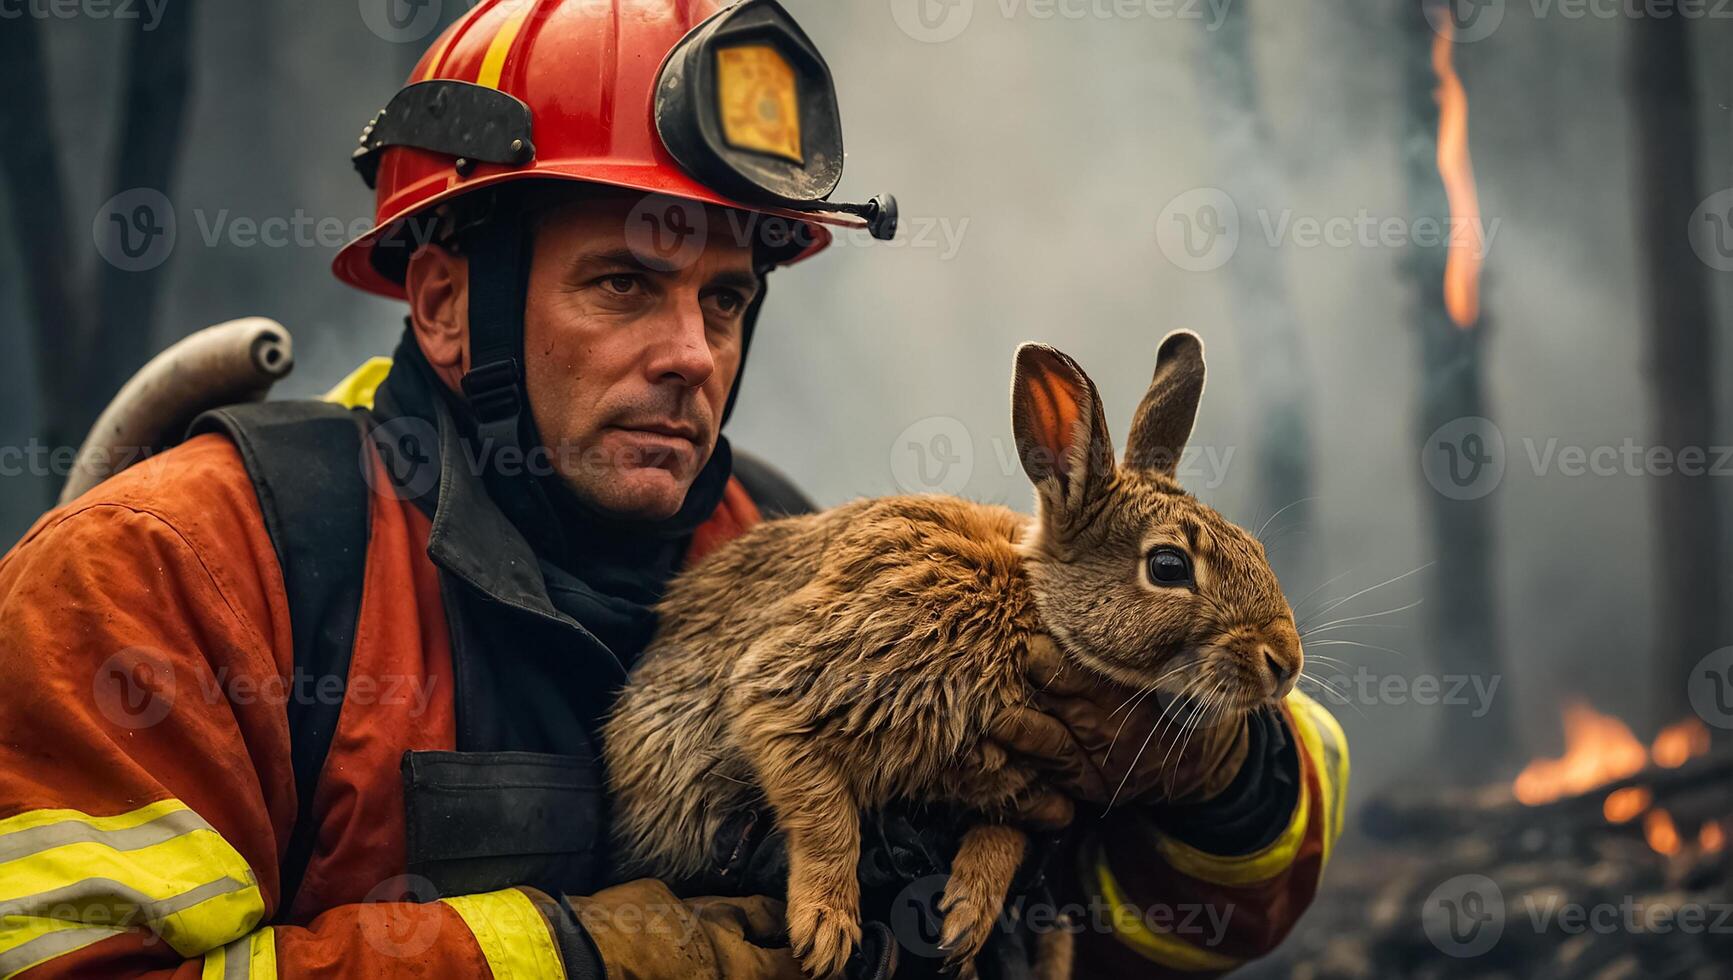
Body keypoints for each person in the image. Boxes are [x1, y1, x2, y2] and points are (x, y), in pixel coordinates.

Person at [0, 1, 1346, 977]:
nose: (691, 356)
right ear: (448, 301)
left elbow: (1175, 929)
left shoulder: (783, 549)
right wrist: (565, 957)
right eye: (624, 284)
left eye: (725, 298)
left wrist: (1203, 763)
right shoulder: (184, 567)